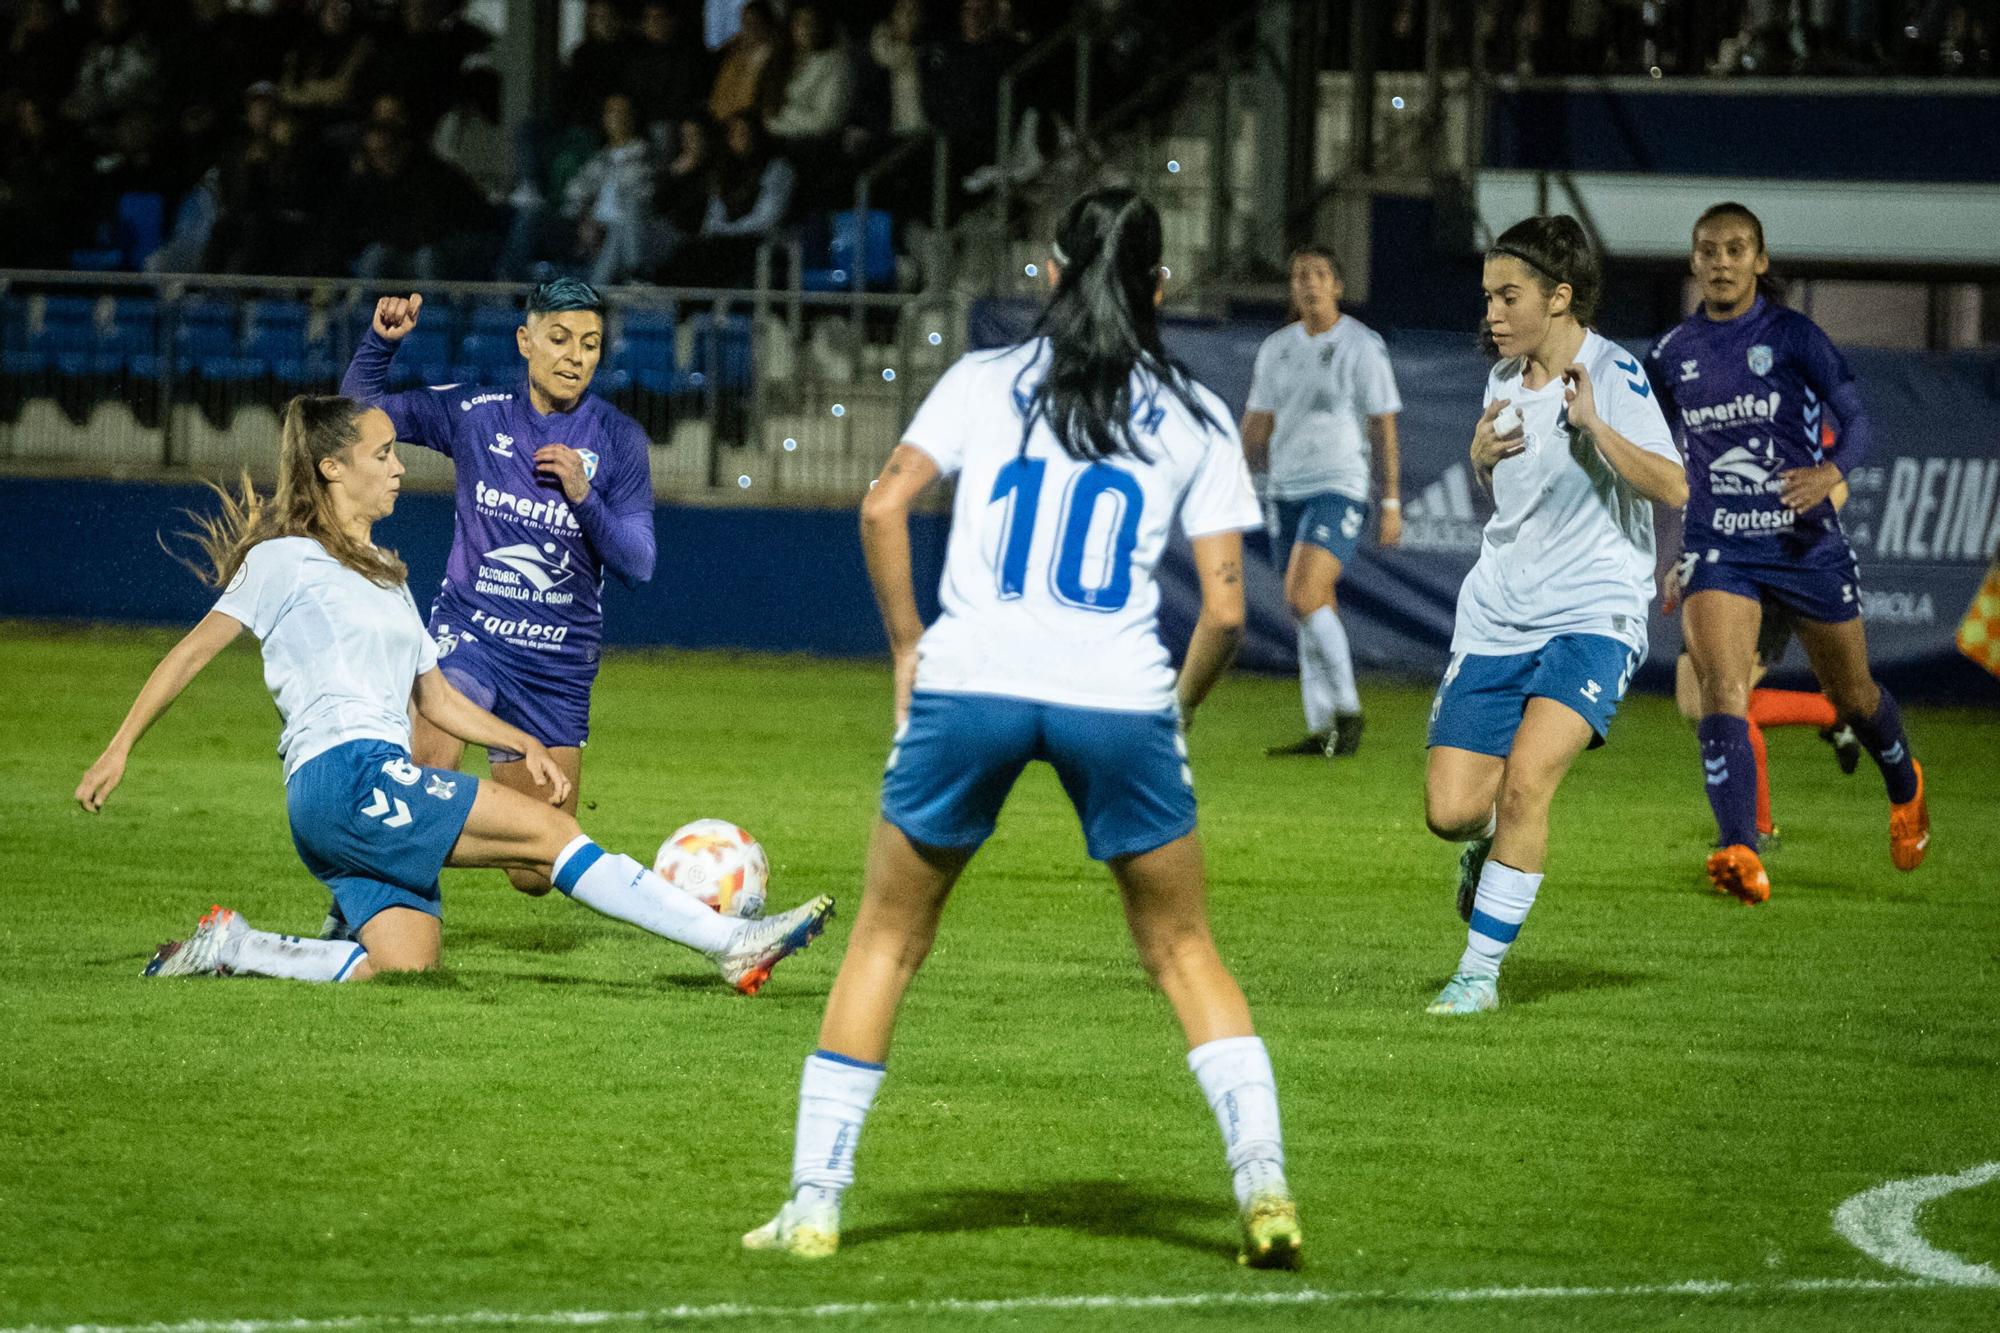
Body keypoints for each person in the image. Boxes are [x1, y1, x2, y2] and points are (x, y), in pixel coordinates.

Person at [741, 188, 1302, 1270]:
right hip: (1119, 696)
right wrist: (1171, 710)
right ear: (1157, 289)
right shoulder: (1192, 410)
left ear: (1049, 271)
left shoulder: (981, 381)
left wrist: (908, 641)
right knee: (1183, 950)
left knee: (886, 940)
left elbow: (879, 505)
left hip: (971, 685)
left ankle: (814, 1204)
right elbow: (1229, 610)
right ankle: (1263, 1185)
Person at [75, 395, 832, 992]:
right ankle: (731, 942)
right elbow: (191, 652)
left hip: (344, 799)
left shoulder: (386, 574)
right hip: (346, 775)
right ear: (334, 469)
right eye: (382, 454)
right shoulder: (283, 559)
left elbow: (435, 699)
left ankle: (236, 946)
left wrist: (521, 739)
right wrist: (118, 746)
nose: (399, 467)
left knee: (406, 966)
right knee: (551, 834)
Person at [1422, 214, 1687, 1016]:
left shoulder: (1615, 376)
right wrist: (1476, 460)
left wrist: (1596, 428)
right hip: (1498, 616)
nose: (1492, 313)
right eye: (1488, 297)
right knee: (1452, 811)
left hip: (1592, 615)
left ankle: (1476, 975)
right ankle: (1485, 853)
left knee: (1529, 782)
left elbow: (1673, 487)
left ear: (1560, 296)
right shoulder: (1502, 380)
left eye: (1509, 296)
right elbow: (1514, 497)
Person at [1643, 202, 1928, 903]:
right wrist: (1667, 554)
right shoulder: (1670, 353)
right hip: (1721, 547)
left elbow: (1858, 421)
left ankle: (1905, 781)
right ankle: (1740, 848)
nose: (1721, 261)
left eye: (1736, 249)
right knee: (1720, 690)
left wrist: (1833, 473)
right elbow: (1654, 459)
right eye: (1708, 249)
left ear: (1760, 262)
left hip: (1802, 544)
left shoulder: (1793, 335)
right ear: (1692, 261)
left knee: (1852, 695)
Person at [339, 279, 649, 908]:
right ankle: (362, 906)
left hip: (557, 666)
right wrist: (380, 343)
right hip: (469, 638)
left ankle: (395, 851)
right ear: (525, 341)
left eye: (590, 344)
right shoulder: (478, 412)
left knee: (537, 869)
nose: (574, 356)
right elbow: (355, 415)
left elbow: (638, 563)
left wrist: (584, 497)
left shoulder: (618, 441)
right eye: (559, 339)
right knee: (424, 772)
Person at [1241, 244, 1403, 759]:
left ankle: (1350, 713)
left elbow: (1384, 426)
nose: (1309, 283)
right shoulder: (1276, 348)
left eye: (1319, 274)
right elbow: (1257, 424)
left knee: (1302, 595)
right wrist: (1233, 478)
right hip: (1285, 488)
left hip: (1339, 484)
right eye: (1299, 276)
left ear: (1337, 286)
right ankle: (1322, 726)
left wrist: (1392, 500)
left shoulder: (1361, 344)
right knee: (1309, 607)